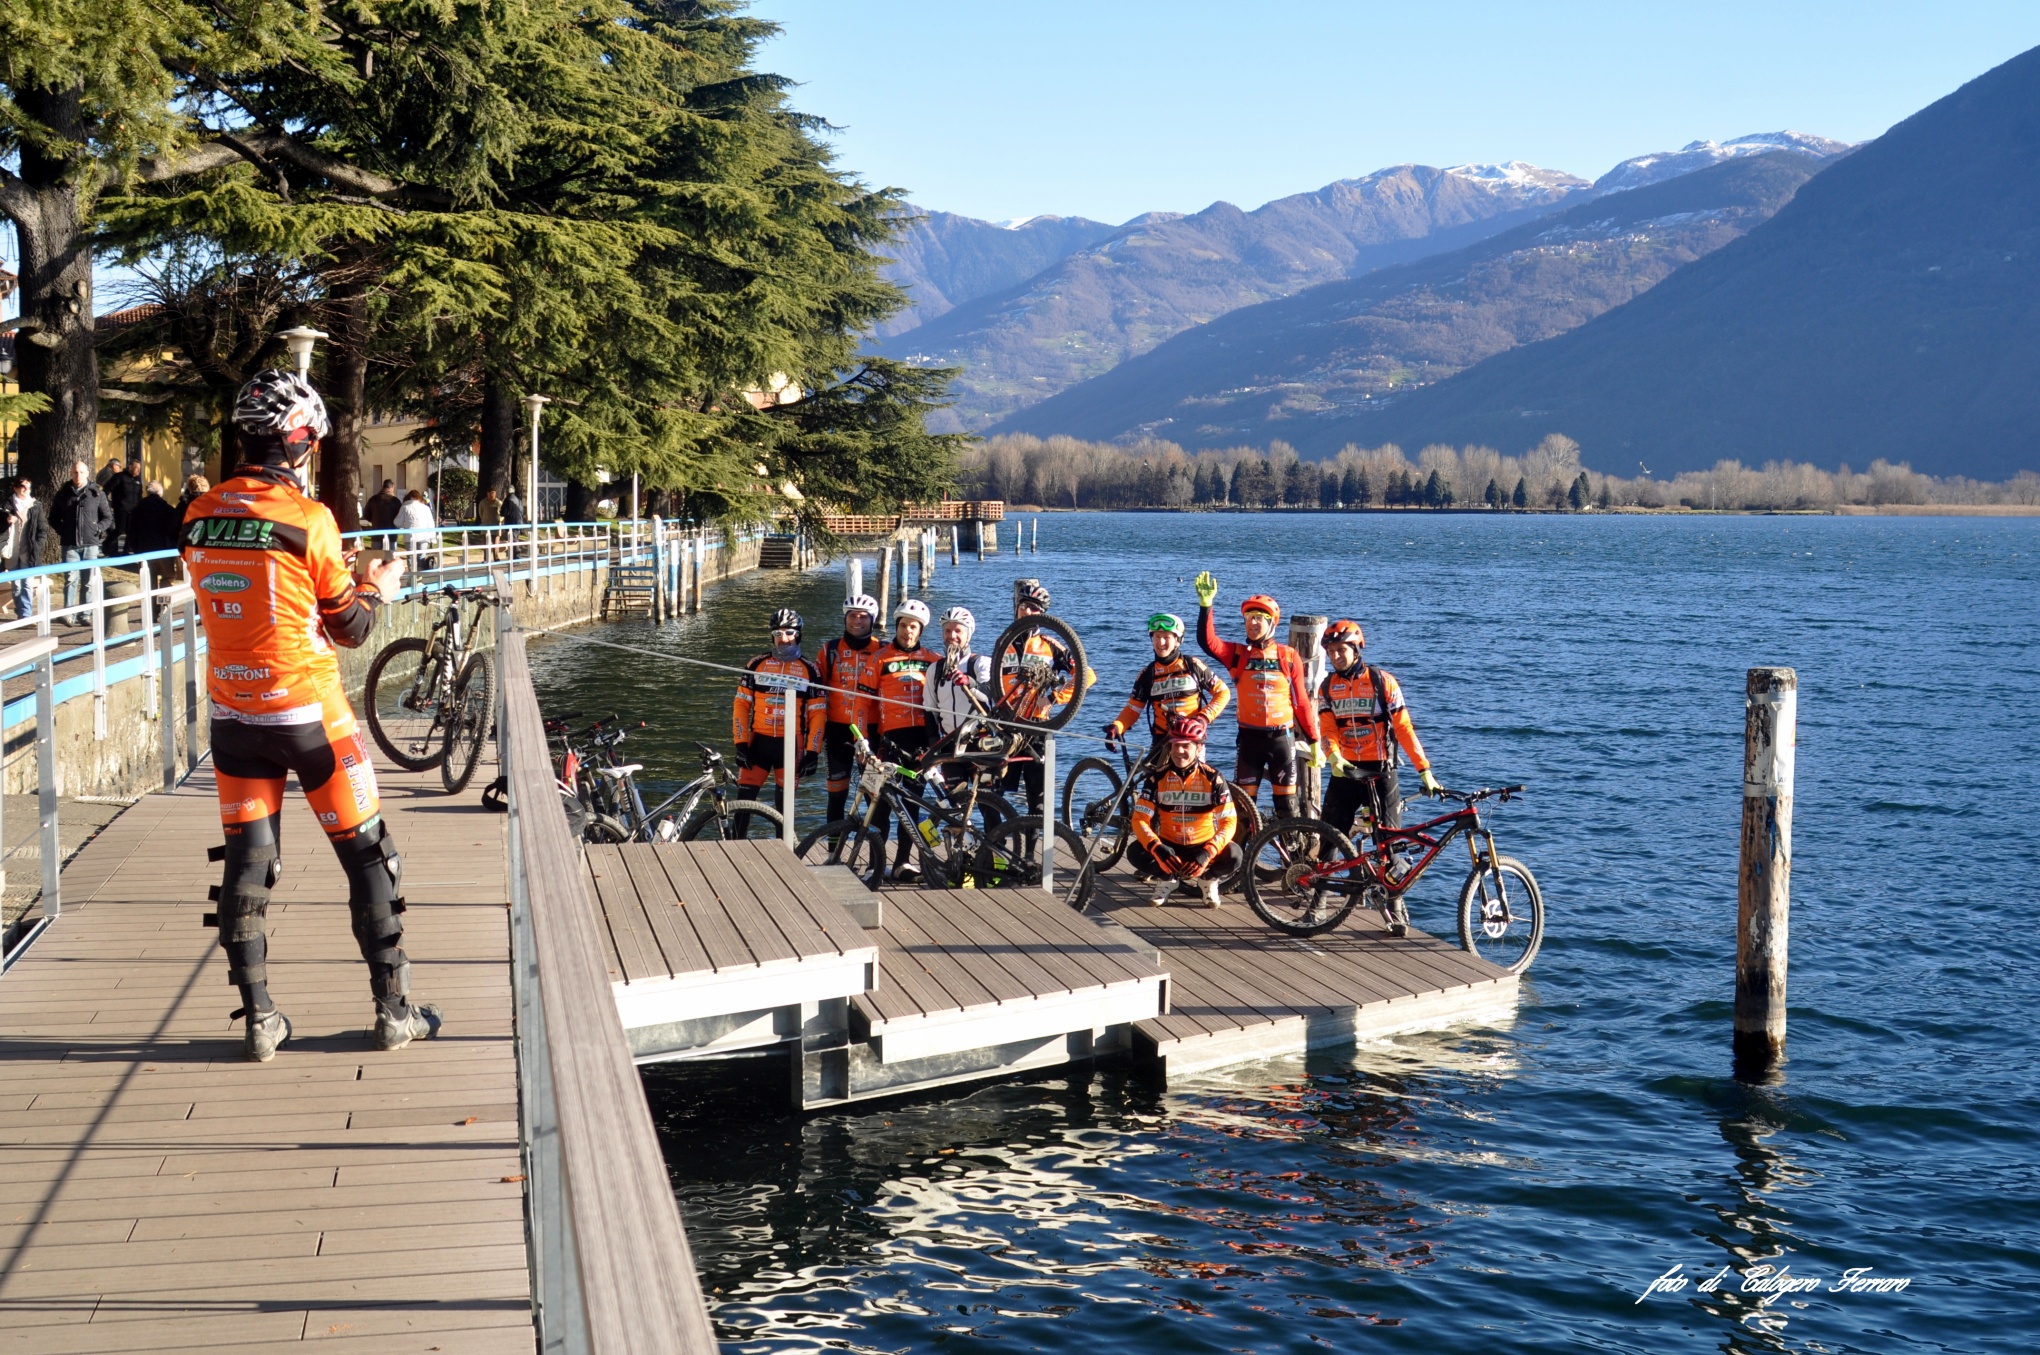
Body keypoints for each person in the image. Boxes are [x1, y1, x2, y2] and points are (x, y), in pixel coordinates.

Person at [181, 368, 436, 1062]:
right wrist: (375, 585)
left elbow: (249, 581)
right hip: (309, 715)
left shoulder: (198, 515)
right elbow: (350, 626)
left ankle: (259, 1018)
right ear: (299, 444)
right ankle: (394, 1010)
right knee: (369, 855)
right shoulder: (310, 521)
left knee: (247, 865)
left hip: (233, 714)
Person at [1192, 572, 1319, 823]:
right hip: (1250, 740)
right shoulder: (1237, 654)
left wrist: (1314, 740)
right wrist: (1206, 606)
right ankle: (1242, 860)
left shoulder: (1288, 655)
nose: (1253, 622)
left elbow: (1301, 701)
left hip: (1282, 739)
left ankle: (1291, 860)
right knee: (1243, 809)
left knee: (1288, 807)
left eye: (1260, 618)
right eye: (1249, 618)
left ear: (1273, 623)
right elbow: (1208, 642)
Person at [1315, 617, 1441, 837]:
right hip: (1345, 769)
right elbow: (1327, 729)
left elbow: (1403, 728)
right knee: (1330, 840)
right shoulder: (1327, 687)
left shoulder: (1382, 682)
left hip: (1380, 768)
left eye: (1341, 650)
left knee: (1390, 843)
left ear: (1355, 649)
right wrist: (1333, 757)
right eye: (1331, 651)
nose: (1335, 656)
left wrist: (1424, 771)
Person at [993, 580, 1095, 814]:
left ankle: (1030, 851)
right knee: (994, 794)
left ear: (1042, 614)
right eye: (1024, 606)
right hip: (1005, 724)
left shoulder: (1051, 645)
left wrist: (1053, 698)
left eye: (1034, 608)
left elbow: (1087, 675)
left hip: (1037, 727)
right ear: (1016, 607)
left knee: (1036, 799)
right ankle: (998, 845)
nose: (1028, 612)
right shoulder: (1003, 642)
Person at [1128, 713, 1240, 909]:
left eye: (1186, 745)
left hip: (1202, 846)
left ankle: (1207, 880)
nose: (1179, 751)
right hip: (1169, 846)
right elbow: (1139, 819)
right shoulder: (1157, 778)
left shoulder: (1213, 778)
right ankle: (1167, 879)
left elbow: (1229, 821)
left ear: (1198, 748)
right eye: (1175, 745)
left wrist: (1208, 851)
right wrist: (1157, 848)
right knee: (1135, 852)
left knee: (1235, 854)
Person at [730, 608, 825, 835]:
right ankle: (732, 851)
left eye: (789, 633)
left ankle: (784, 858)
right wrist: (740, 744)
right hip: (758, 742)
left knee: (784, 810)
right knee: (743, 803)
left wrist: (813, 751)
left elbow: (818, 714)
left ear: (799, 635)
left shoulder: (811, 670)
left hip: (792, 745)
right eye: (778, 633)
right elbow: (741, 705)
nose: (783, 639)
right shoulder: (755, 664)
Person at [1104, 612, 1230, 759]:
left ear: (1178, 641)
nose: (1160, 642)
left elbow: (1223, 693)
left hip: (1191, 739)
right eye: (1156, 637)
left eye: (1166, 637)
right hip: (1161, 741)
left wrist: (1202, 718)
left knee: (1194, 781)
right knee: (1152, 781)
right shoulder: (1147, 674)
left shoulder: (1193, 666)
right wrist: (1116, 727)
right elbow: (1132, 710)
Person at [815, 593, 883, 822]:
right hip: (837, 731)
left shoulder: (883, 650)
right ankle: (833, 852)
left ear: (872, 620)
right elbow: (814, 690)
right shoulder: (829, 650)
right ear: (845, 618)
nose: (857, 621)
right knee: (836, 796)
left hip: (872, 731)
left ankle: (876, 851)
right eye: (852, 616)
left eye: (863, 617)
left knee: (874, 797)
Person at [50, 459, 113, 611]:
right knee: (70, 580)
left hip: (91, 544)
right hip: (70, 544)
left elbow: (108, 518)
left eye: (81, 472)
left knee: (88, 581)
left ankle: (86, 613)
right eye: (75, 472)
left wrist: (98, 528)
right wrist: (63, 530)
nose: (78, 475)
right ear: (71, 474)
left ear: (87, 473)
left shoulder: (97, 493)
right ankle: (69, 613)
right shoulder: (63, 494)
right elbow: (53, 518)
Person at [2, 478, 49, 620]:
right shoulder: (6, 505)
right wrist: (6, 521)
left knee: (27, 583)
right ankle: (21, 612)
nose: (25, 489)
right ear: (15, 488)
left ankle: (26, 614)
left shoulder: (35, 505)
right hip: (11, 550)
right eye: (22, 486)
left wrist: (38, 545)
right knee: (16, 584)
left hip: (29, 550)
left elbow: (42, 529)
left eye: (28, 487)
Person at [126, 480, 183, 558]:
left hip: (143, 549)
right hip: (164, 549)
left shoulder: (137, 509)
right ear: (160, 493)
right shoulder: (167, 509)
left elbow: (132, 531)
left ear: (147, 492)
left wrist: (136, 548)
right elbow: (174, 528)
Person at [106, 456, 143, 553]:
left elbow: (139, 495)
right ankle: (106, 544)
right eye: (137, 468)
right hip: (121, 509)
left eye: (140, 469)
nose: (139, 471)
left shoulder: (138, 480)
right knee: (120, 530)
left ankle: (126, 552)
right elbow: (107, 489)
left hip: (134, 510)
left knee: (131, 532)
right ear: (130, 467)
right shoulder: (119, 477)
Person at [394, 489, 436, 572]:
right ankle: (419, 579)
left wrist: (405, 525)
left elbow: (397, 522)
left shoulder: (404, 507)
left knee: (410, 558)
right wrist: (433, 539)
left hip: (409, 536)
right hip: (424, 536)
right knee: (421, 558)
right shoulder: (425, 508)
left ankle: (412, 578)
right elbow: (430, 523)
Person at [364, 478, 401, 550]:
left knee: (376, 557)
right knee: (390, 557)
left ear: (383, 487)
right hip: (391, 534)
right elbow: (399, 517)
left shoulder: (373, 499)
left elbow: (366, 515)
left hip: (376, 534)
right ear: (392, 487)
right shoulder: (395, 501)